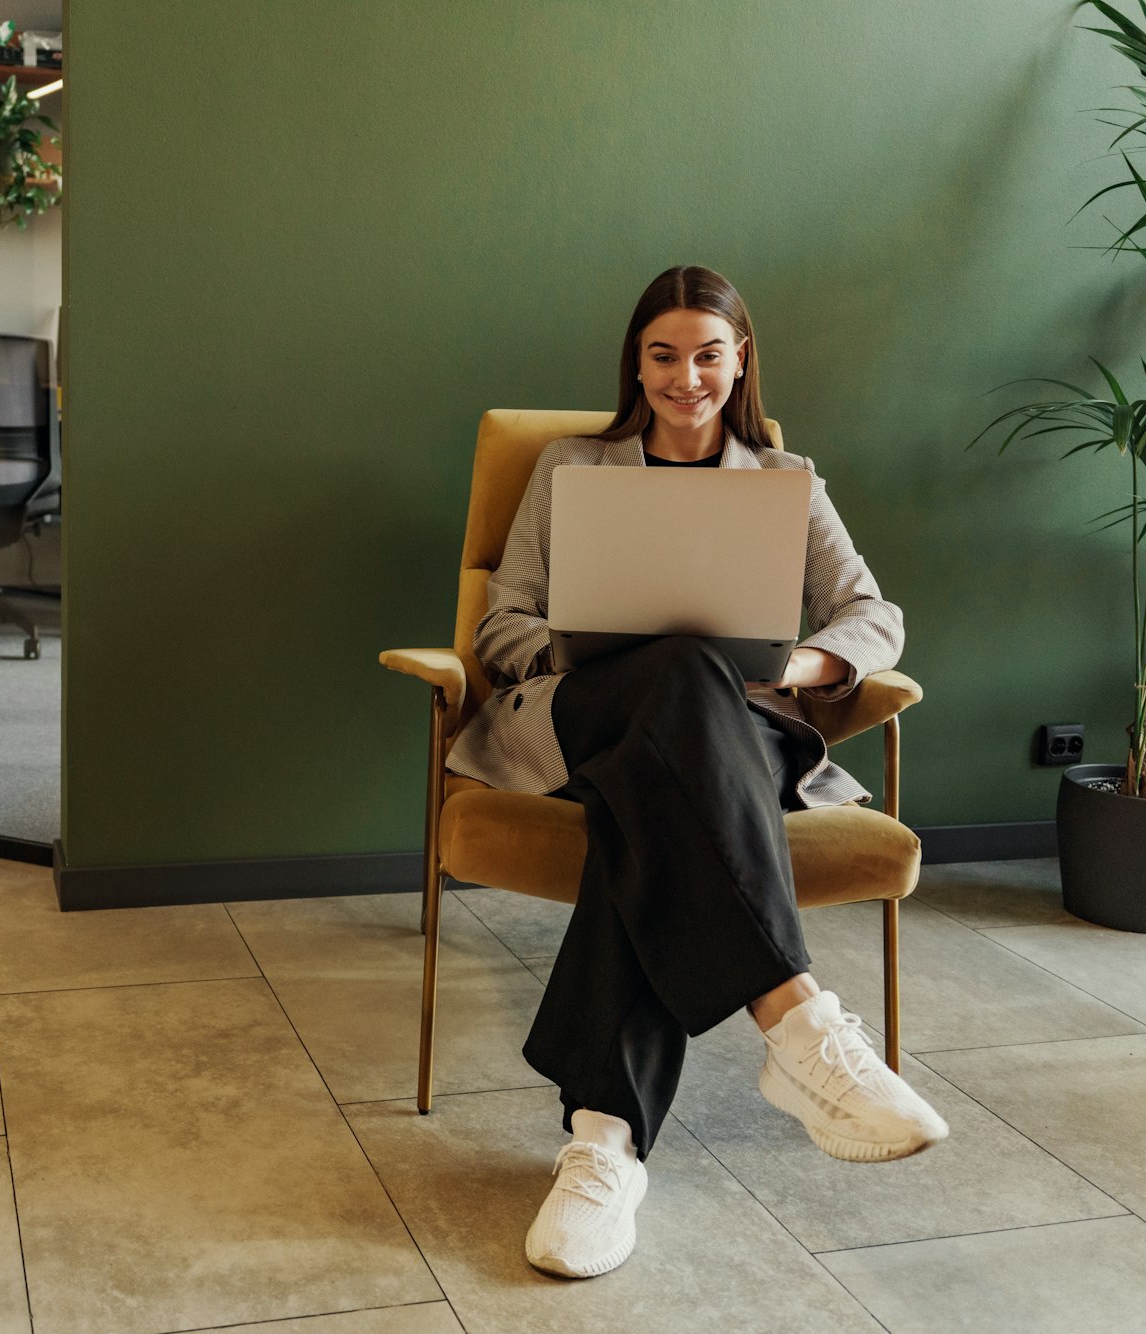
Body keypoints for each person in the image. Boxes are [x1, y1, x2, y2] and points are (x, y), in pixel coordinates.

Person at [445, 265, 948, 1280]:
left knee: (654, 791)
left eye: (707, 354)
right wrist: (589, 653)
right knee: (667, 675)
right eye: (663, 355)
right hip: (586, 714)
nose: (685, 378)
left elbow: (872, 613)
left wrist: (797, 664)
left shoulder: (782, 477)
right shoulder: (569, 467)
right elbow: (502, 621)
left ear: (740, 360)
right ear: (636, 361)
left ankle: (602, 1141)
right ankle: (798, 1024)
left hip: (730, 731)